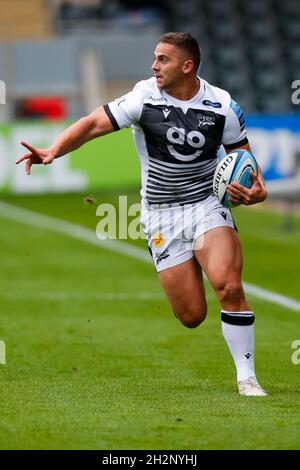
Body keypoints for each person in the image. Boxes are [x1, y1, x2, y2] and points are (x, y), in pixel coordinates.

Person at [16, 32, 268, 396]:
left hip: (206, 206)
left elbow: (247, 165)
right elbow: (92, 124)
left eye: (163, 59)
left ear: (187, 66)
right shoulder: (143, 98)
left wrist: (258, 191)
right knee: (192, 316)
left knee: (228, 285)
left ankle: (247, 378)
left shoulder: (223, 106)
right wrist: (53, 150)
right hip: (161, 215)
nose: (154, 65)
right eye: (154, 58)